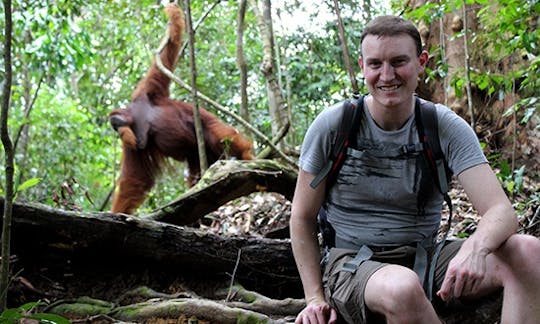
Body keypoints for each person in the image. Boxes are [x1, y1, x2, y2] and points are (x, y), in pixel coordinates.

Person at [290, 15, 540, 324]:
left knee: (527, 252)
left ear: (421, 62)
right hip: (351, 265)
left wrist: (476, 247)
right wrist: (314, 297)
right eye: (375, 64)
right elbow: (302, 217)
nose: (387, 75)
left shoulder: (442, 126)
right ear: (362, 66)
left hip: (426, 257)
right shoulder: (334, 126)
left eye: (398, 62)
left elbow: (501, 211)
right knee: (402, 287)